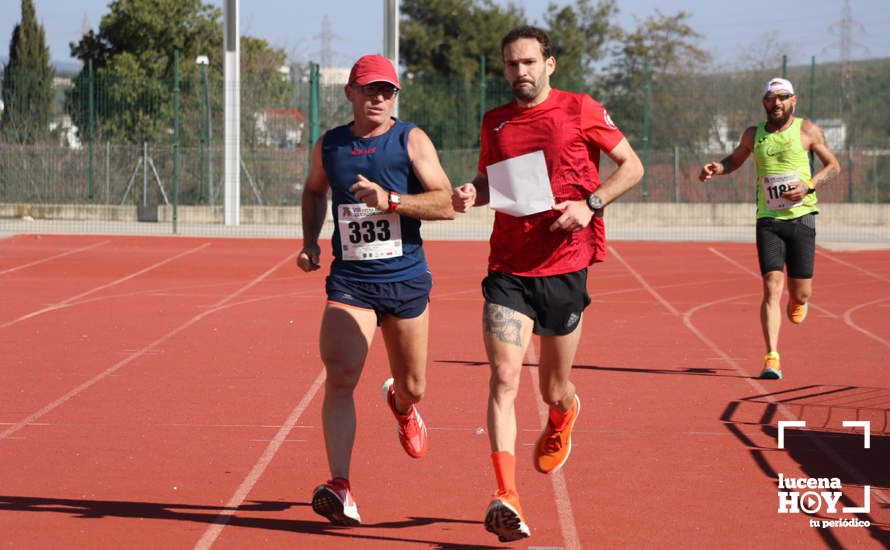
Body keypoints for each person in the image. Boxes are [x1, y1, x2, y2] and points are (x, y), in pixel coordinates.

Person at [452, 26, 644, 542]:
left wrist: (590, 206)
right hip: (509, 269)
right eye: (512, 65)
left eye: (529, 62)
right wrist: (475, 190)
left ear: (549, 64)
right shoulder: (495, 122)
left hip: (564, 265)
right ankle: (505, 495)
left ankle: (563, 415)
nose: (520, 72)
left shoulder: (580, 108)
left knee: (552, 387)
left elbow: (633, 167)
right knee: (504, 379)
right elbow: (494, 182)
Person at [297, 54, 455, 526]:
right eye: (369, 90)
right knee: (341, 375)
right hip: (351, 283)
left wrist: (391, 201)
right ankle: (340, 484)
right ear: (350, 93)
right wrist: (309, 241)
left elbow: (446, 203)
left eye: (387, 91)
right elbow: (313, 190)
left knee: (414, 385)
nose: (379, 98)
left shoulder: (411, 139)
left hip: (405, 279)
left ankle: (402, 407)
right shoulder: (330, 145)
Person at [699, 77, 840, 380]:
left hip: (801, 218)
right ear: (763, 102)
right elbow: (734, 160)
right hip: (769, 220)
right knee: (770, 286)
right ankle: (771, 356)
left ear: (793, 100)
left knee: (801, 294)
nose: (775, 103)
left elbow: (833, 166)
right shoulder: (754, 134)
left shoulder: (807, 130)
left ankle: (797, 299)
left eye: (782, 97)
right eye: (769, 98)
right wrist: (717, 168)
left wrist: (809, 186)